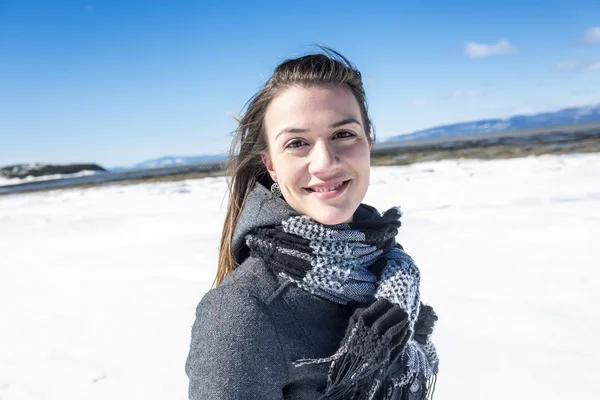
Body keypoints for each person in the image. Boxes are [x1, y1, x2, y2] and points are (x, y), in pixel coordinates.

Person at [185, 47, 439, 400]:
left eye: (343, 135)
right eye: (297, 143)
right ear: (271, 165)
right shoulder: (242, 311)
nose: (324, 163)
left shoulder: (388, 271)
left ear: (369, 141)